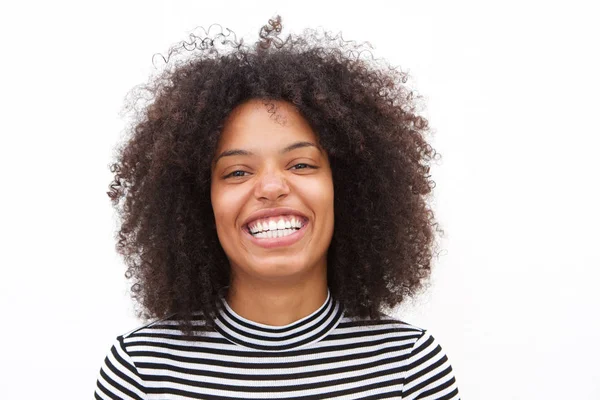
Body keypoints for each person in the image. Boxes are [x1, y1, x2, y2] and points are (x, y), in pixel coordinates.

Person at [95, 16, 460, 399]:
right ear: (199, 202)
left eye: (301, 164)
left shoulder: (409, 366)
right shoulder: (142, 371)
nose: (271, 187)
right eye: (237, 171)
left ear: (346, 190)